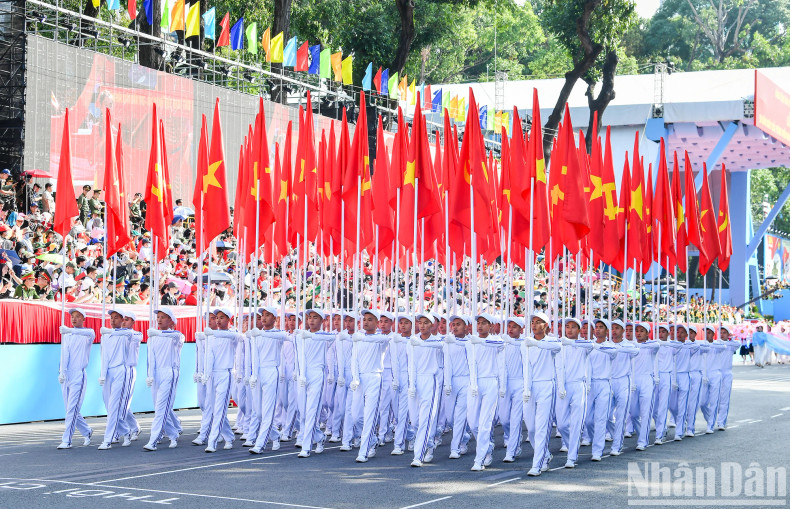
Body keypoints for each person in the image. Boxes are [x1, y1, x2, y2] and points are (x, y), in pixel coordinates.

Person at [347, 310, 391, 463]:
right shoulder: (359, 338)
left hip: (374, 377)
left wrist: (361, 338)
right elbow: (354, 359)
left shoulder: (381, 339)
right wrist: (355, 377)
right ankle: (372, 440)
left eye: (370, 320)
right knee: (355, 416)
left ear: (377, 323)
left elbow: (386, 339)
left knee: (370, 415)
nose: (366, 322)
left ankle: (363, 451)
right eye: (364, 319)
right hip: (360, 379)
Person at [522, 312, 562, 475]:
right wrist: (526, 387)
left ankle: (537, 463)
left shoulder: (552, 341)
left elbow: (557, 348)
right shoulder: (526, 343)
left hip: (547, 384)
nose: (535, 325)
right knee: (531, 428)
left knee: (542, 427)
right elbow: (526, 366)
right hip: (530, 387)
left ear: (546, 325)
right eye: (533, 322)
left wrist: (536, 344)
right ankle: (545, 454)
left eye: (539, 322)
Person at [248, 306, 290, 454]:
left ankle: (259, 444)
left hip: (272, 371)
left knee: (267, 411)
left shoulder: (278, 333)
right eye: (262, 315)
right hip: (259, 372)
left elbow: (287, 336)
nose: (263, 318)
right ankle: (275, 435)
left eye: (267, 315)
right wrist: (252, 374)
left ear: (275, 319)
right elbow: (254, 356)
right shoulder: (257, 334)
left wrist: (260, 335)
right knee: (258, 413)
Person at [296, 309, 336, 458]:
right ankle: (319, 437)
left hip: (317, 373)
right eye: (309, 318)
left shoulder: (325, 337)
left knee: (312, 411)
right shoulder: (300, 336)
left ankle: (306, 448)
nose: (311, 320)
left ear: (322, 321)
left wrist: (311, 336)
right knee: (304, 413)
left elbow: (333, 337)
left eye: (315, 318)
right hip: (302, 375)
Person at [143, 308, 185, 451]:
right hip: (156, 373)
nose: (159, 319)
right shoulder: (153, 337)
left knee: (161, 408)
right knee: (159, 408)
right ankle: (173, 434)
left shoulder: (177, 336)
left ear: (171, 321)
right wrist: (149, 374)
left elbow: (176, 336)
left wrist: (158, 333)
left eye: (163, 317)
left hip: (169, 372)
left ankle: (153, 440)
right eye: (158, 317)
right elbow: (151, 358)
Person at [406, 313, 444, 467]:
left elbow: (441, 345)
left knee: (425, 419)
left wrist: (420, 344)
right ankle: (428, 443)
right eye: (420, 322)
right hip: (415, 380)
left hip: (431, 379)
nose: (422, 325)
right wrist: (412, 383)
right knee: (415, 421)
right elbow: (411, 364)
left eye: (426, 322)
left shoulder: (439, 340)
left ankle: (418, 456)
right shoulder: (412, 341)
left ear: (432, 325)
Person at [557, 318, 595, 468]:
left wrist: (571, 342)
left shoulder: (583, 345)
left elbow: (591, 344)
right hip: (563, 387)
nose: (570, 330)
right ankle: (573, 442)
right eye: (567, 327)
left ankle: (571, 457)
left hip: (579, 385)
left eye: (573, 327)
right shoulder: (560, 344)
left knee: (577, 423)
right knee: (561, 424)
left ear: (579, 330)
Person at [203, 307, 242, 452]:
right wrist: (206, 373)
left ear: (229, 320)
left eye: (222, 317)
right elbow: (209, 355)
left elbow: (236, 338)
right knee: (214, 410)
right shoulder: (212, 336)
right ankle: (229, 436)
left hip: (226, 374)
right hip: (213, 374)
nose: (218, 320)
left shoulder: (233, 334)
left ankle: (211, 442)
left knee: (219, 409)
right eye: (216, 318)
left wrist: (214, 333)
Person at [56, 308, 96, 449]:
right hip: (67, 375)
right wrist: (62, 371)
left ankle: (66, 440)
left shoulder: (88, 334)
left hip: (79, 374)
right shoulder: (67, 334)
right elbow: (64, 353)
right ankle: (87, 431)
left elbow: (89, 332)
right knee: (70, 409)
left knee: (72, 409)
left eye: (77, 316)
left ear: (83, 319)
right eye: (72, 316)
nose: (74, 319)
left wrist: (69, 330)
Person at [97, 309, 136, 450]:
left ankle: (107, 440)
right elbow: (104, 356)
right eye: (111, 318)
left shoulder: (128, 334)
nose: (113, 321)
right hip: (109, 372)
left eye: (116, 318)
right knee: (109, 406)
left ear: (123, 320)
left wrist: (110, 332)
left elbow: (132, 334)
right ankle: (125, 431)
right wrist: (102, 374)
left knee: (114, 406)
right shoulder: (106, 336)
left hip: (122, 370)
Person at [581, 319, 618, 462]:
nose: (597, 330)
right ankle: (589, 438)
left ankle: (597, 450)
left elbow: (612, 353)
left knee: (601, 419)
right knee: (588, 420)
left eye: (601, 327)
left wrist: (596, 346)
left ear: (607, 331)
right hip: (590, 384)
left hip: (604, 384)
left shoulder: (611, 346)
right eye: (596, 327)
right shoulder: (589, 345)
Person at [606, 319, 638, 456]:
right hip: (609, 381)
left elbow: (635, 351)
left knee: (621, 416)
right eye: (612, 328)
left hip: (623, 382)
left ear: (623, 331)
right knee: (606, 416)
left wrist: (617, 348)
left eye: (617, 328)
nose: (614, 330)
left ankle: (617, 445)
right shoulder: (606, 344)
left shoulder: (629, 345)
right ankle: (615, 434)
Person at [442, 314, 472, 460]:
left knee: (460, 416)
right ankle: (464, 436)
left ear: (466, 326)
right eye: (453, 324)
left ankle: (456, 447)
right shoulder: (448, 341)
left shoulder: (472, 341)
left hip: (466, 381)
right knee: (449, 417)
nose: (454, 327)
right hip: (451, 381)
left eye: (458, 324)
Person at [628, 323, 659, 451]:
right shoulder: (631, 345)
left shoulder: (652, 346)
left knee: (646, 412)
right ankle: (642, 433)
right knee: (633, 413)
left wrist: (639, 345)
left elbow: (656, 345)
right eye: (637, 331)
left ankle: (642, 441)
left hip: (647, 379)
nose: (639, 333)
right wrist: (634, 345)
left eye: (642, 331)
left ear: (647, 333)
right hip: (634, 379)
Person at [499, 316, 525, 463]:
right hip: (505, 384)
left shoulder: (525, 343)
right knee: (503, 418)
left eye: (514, 327)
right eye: (509, 326)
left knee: (515, 419)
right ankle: (512, 437)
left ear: (521, 329)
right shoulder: (503, 342)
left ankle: (512, 450)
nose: (510, 329)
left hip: (520, 384)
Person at [389, 315, 413, 456]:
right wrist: (395, 379)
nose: (403, 325)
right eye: (401, 323)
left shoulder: (415, 340)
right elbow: (394, 361)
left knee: (408, 414)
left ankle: (402, 442)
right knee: (399, 413)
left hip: (413, 377)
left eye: (406, 323)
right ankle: (406, 438)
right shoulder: (395, 340)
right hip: (399, 377)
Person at [715, 325, 740, 430]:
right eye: (720, 332)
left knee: (724, 399)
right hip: (715, 373)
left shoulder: (731, 345)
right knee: (714, 400)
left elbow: (738, 343)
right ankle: (711, 421)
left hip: (727, 373)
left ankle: (721, 421)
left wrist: (730, 339)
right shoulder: (715, 344)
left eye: (724, 333)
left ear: (728, 334)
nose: (722, 334)